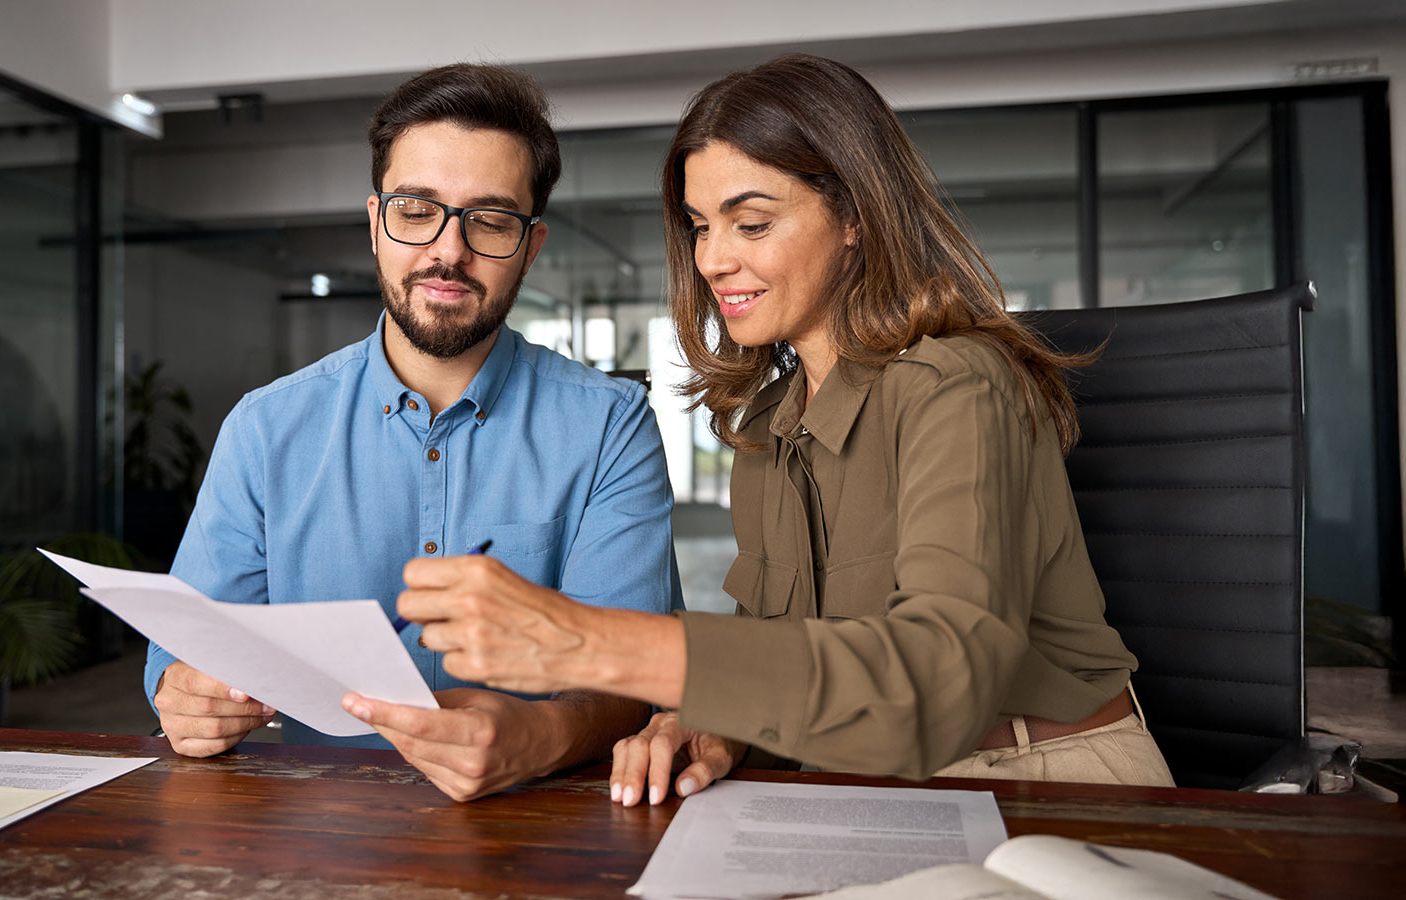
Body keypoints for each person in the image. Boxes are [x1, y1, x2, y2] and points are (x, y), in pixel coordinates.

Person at [392, 54, 1174, 806]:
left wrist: (588, 642)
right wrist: (721, 725)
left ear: (854, 216)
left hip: (1044, 779)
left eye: (752, 222)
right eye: (700, 226)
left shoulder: (960, 385)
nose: (712, 259)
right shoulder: (768, 429)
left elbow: (937, 687)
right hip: (864, 785)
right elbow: (798, 675)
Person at [144, 63, 680, 802]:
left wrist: (540, 735)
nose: (448, 250)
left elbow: (634, 679)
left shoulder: (610, 427)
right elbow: (181, 654)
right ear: (376, 223)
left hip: (543, 826)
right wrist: (184, 695)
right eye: (418, 209)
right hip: (319, 828)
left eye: (489, 220)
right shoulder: (265, 430)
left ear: (530, 247)